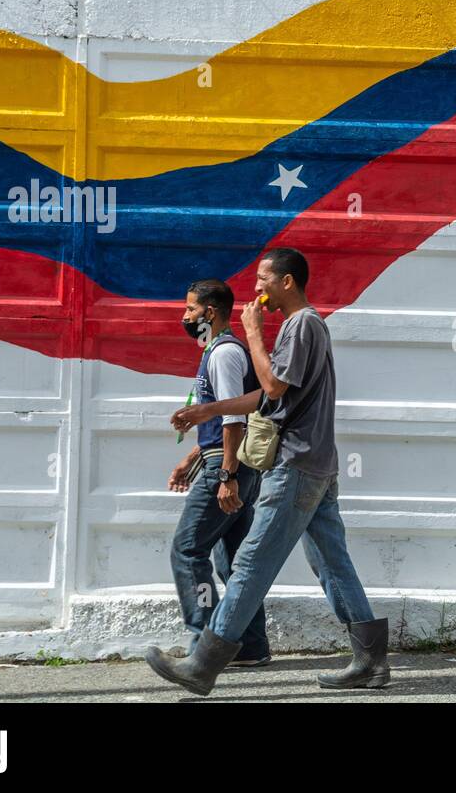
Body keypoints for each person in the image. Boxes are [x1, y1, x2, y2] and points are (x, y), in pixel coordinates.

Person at [146, 248, 389, 696]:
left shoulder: (302, 325)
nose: (256, 289)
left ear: (288, 282)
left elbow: (273, 385)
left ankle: (203, 664)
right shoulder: (303, 327)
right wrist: (210, 411)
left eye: (263, 280)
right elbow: (267, 398)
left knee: (251, 564)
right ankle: (371, 663)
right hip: (315, 464)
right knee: (332, 563)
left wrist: (255, 335)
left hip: (296, 464)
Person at [165, 279, 270, 667]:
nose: (185, 316)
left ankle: (205, 647)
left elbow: (234, 416)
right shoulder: (217, 349)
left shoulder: (224, 353)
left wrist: (225, 477)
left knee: (188, 550)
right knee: (233, 561)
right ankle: (251, 646)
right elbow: (220, 418)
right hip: (224, 463)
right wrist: (191, 458)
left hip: (227, 468)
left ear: (210, 312)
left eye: (191, 309)